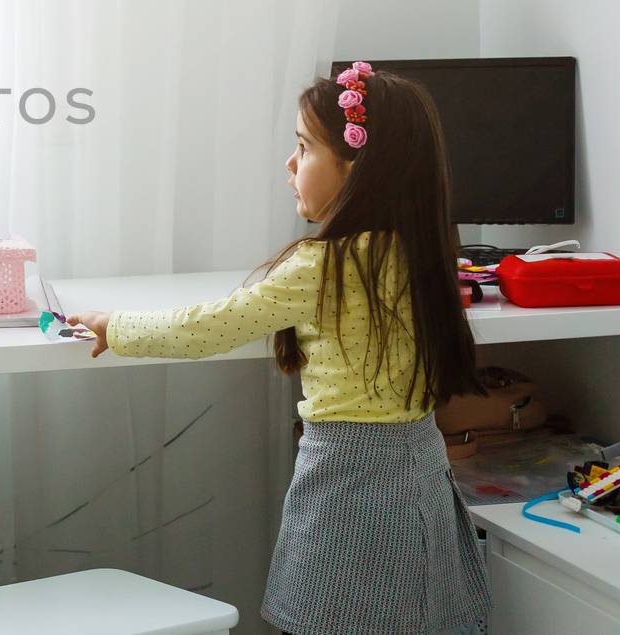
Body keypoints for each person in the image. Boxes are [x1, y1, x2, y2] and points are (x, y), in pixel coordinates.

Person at [69, 63, 489, 635]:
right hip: (421, 479)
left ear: (359, 168)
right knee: (418, 616)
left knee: (333, 618)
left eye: (304, 148)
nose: (290, 165)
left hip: (349, 490)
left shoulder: (324, 267)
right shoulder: (422, 256)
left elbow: (206, 328)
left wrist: (112, 326)